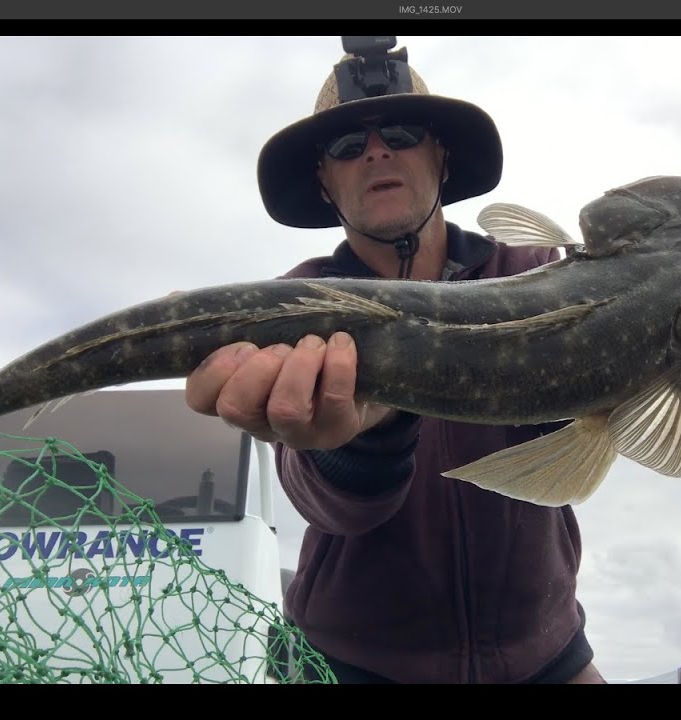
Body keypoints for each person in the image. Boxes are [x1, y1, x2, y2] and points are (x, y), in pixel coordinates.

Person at [185, 40, 606, 684]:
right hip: (356, 663)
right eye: (348, 145)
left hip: (544, 652)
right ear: (323, 182)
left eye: (403, 134)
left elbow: (576, 434)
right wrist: (360, 437)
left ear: (442, 156)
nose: (377, 152)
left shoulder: (535, 271)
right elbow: (332, 507)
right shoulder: (296, 307)